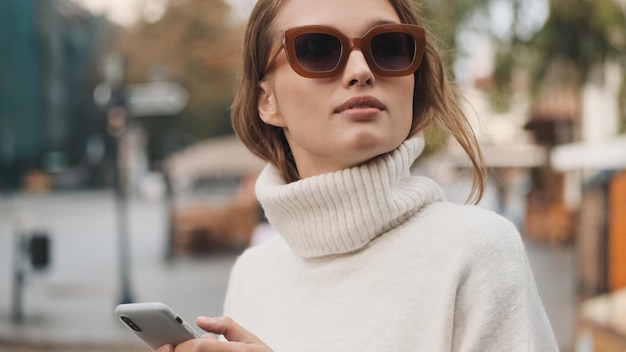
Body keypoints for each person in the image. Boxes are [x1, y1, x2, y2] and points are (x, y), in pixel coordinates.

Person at [158, 0, 559, 350]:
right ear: (267, 100)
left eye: (388, 47)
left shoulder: (479, 252)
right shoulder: (252, 273)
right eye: (316, 49)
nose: (361, 70)